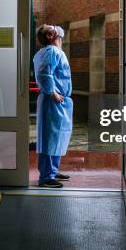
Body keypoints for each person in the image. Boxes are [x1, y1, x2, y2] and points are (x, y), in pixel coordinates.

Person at [33, 24, 73, 188]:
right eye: (52, 27)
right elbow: (44, 73)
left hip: (58, 101)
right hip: (53, 100)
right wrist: (54, 93)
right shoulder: (51, 51)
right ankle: (47, 177)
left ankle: (52, 171)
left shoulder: (50, 52)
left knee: (57, 137)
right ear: (50, 35)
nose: (57, 28)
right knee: (50, 138)